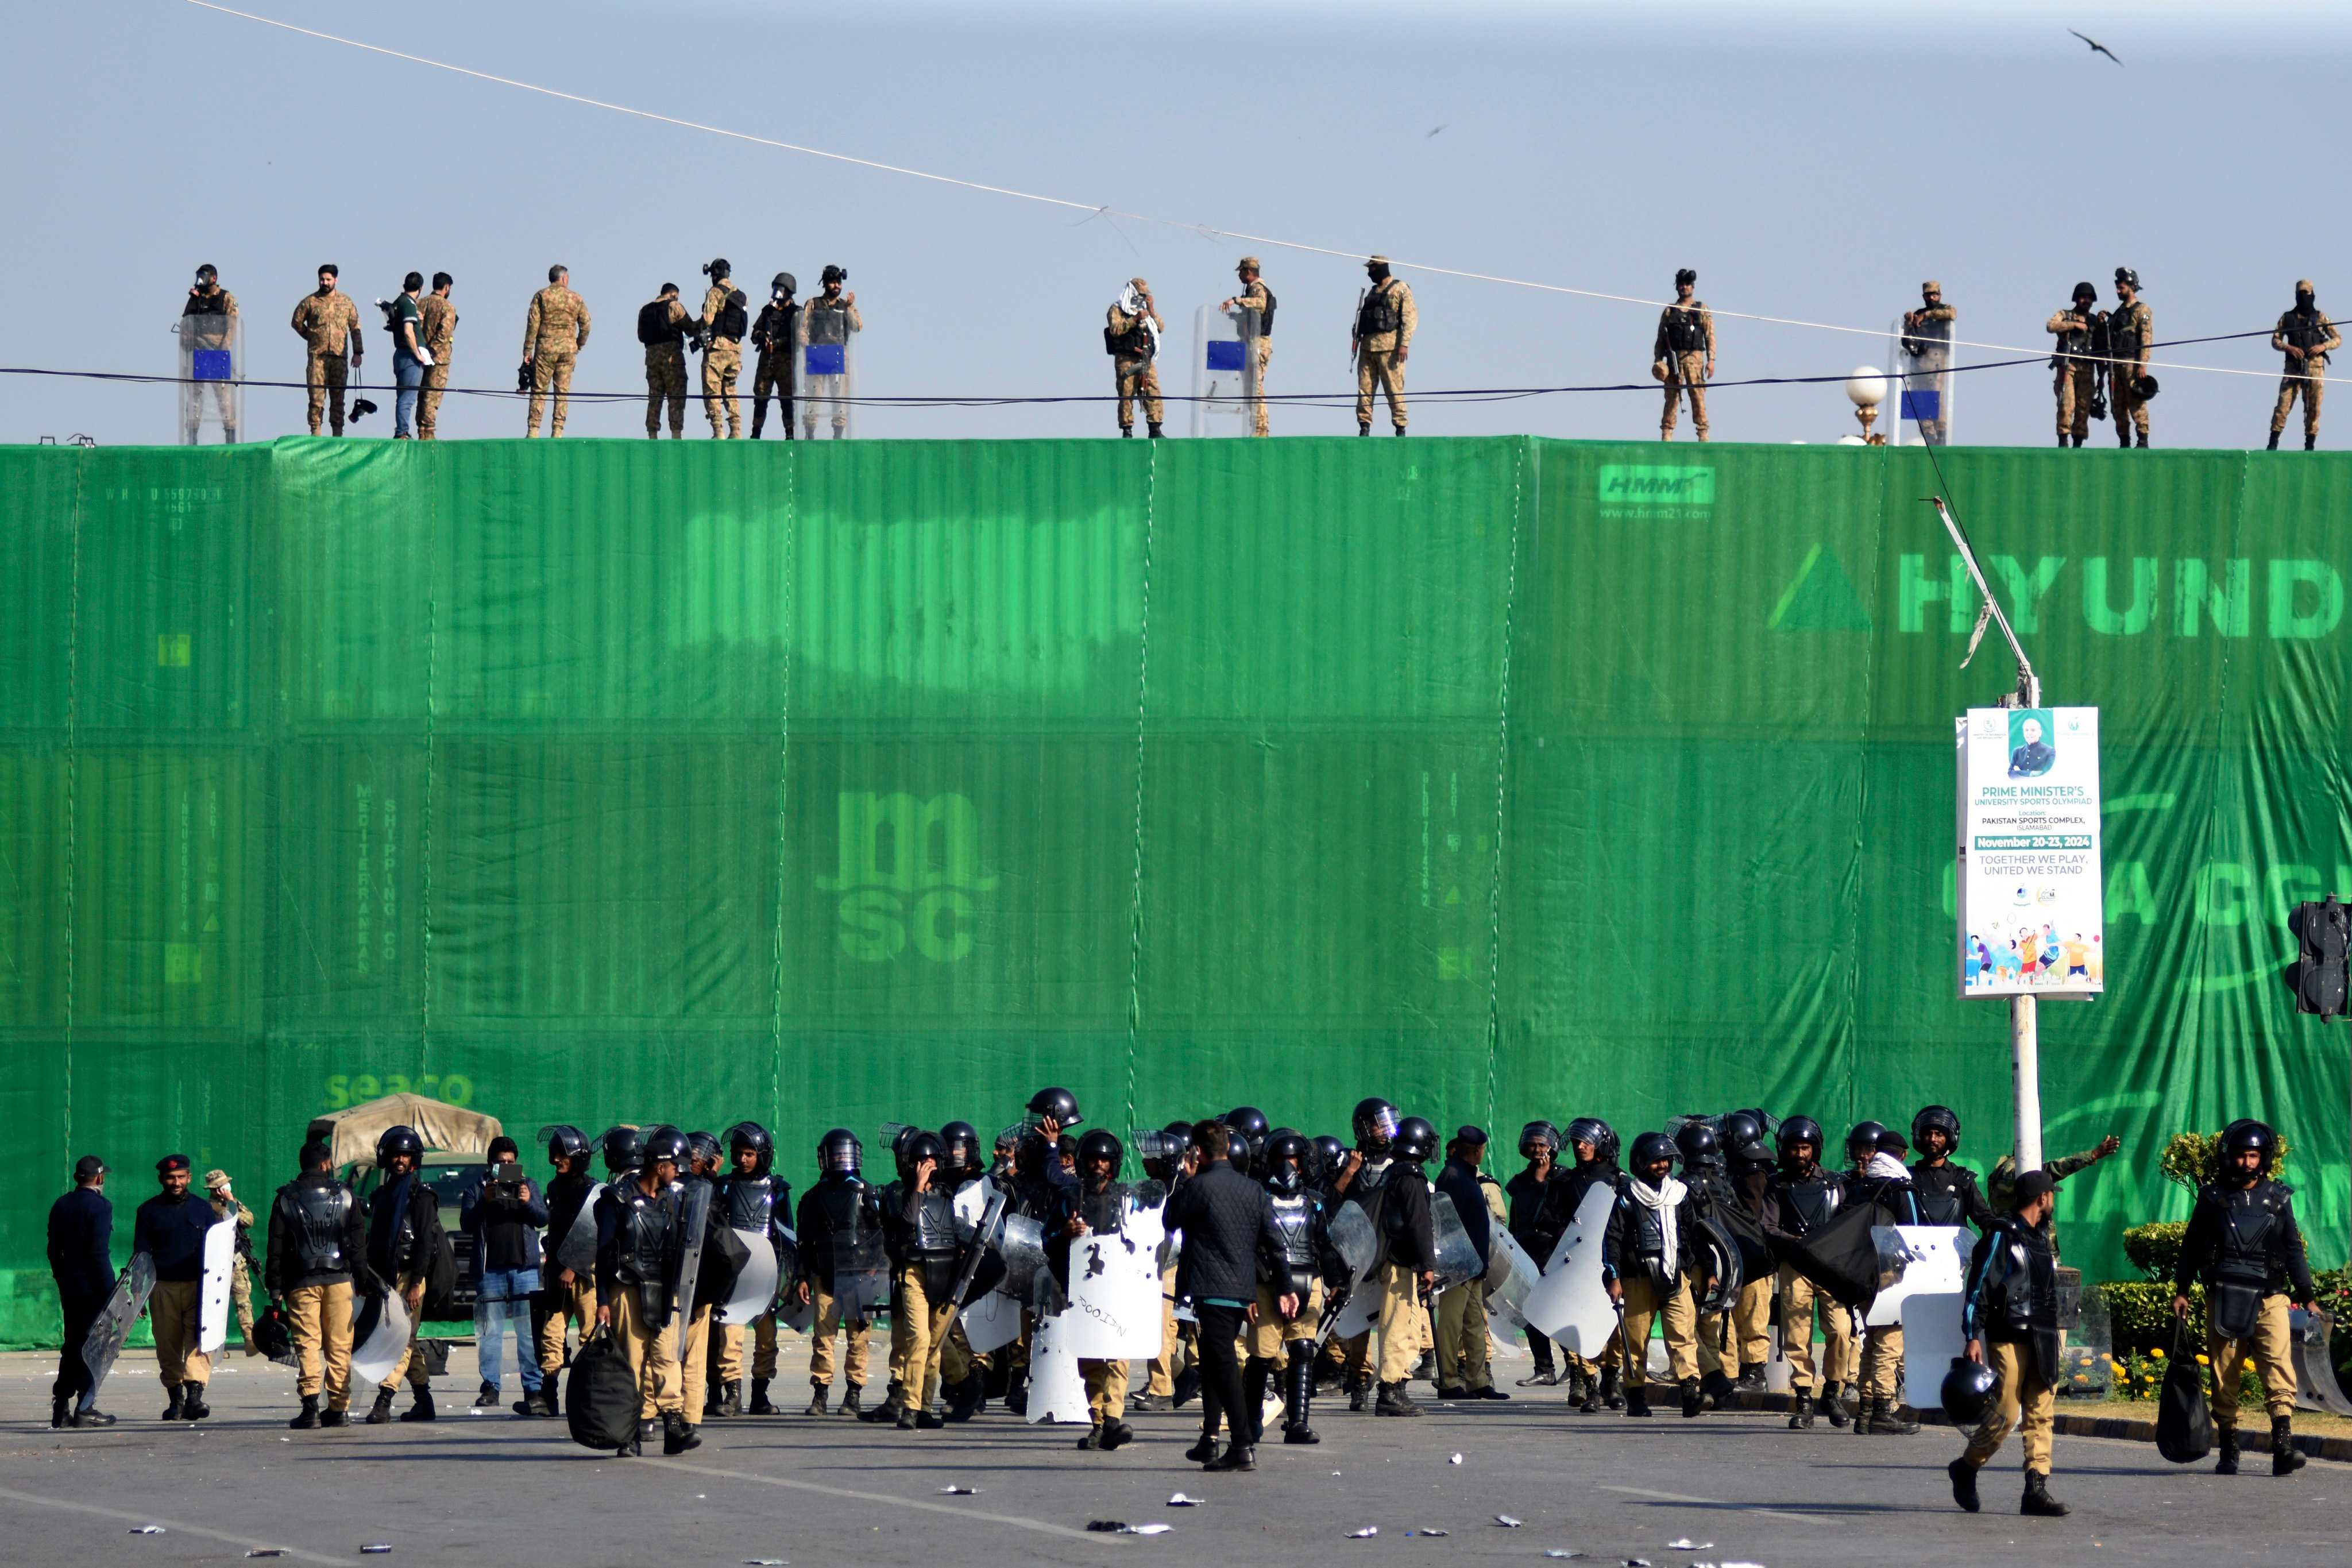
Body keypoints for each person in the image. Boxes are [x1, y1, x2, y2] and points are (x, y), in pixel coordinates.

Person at [2172, 1119, 2321, 1478]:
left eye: (2253, 1155)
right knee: (2224, 1375)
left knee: (2279, 1371)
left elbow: (2294, 1251)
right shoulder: (2212, 1198)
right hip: (2224, 1298)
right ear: (2230, 1158)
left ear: (2264, 1158)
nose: (2247, 1163)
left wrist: (2309, 1298)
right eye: (2240, 1156)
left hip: (2272, 1299)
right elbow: (2192, 1246)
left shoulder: (2280, 1198)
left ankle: (2283, 1448)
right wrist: (2181, 1291)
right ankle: (2229, 1450)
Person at [1164, 1120, 1290, 1472]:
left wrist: (1184, 1179)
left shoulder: (1198, 1186)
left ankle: (1241, 1443)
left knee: (1222, 1368)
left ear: (1198, 1153)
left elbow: (1170, 1218)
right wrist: (1284, 1288)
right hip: (1240, 1290)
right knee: (1212, 1362)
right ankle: (1210, 1440)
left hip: (1211, 1289)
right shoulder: (1253, 1189)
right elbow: (1275, 1244)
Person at [1949, 1169, 2068, 1517]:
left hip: (2043, 1336)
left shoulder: (2042, 1238)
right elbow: (1980, 1284)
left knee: (2042, 1412)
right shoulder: (2002, 1235)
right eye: (2052, 1195)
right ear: (2043, 1198)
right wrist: (1972, 1334)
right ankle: (1966, 1467)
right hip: (2008, 1334)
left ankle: (2036, 1490)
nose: (2053, 1201)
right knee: (2006, 1413)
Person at [596, 1124, 698, 1456]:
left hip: (663, 1288)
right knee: (633, 1360)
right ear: (659, 1166)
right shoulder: (617, 1200)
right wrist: (602, 1301)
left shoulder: (672, 1201)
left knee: (667, 1357)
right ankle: (631, 1435)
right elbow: (603, 1252)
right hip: (626, 1287)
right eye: (674, 1166)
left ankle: (673, 1429)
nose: (678, 1172)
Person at [266, 1139, 366, 1429]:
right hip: (339, 1280)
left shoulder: (285, 1198)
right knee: (339, 1346)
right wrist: (361, 1280)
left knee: (307, 1345)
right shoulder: (345, 1194)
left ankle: (310, 1407)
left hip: (300, 1281)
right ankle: (338, 1408)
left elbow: (277, 1249)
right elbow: (358, 1243)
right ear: (325, 1165)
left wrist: (276, 1290)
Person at [1604, 1131, 1703, 1418]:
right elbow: (1612, 1239)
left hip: (1676, 1275)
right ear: (1641, 1163)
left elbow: (1696, 1233)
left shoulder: (1681, 1195)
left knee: (1683, 1333)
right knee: (1635, 1340)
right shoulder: (1627, 1197)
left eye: (1666, 1160)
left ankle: (1690, 1391)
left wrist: (1703, 1270)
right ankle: (1636, 1395)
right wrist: (1614, 1276)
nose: (1663, 1166)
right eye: (1656, 1161)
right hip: (1637, 1278)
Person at [1053, 1128, 1140, 1450]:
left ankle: (1114, 1419)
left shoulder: (1130, 1200)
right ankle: (1099, 1423)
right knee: (1090, 1358)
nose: (1098, 1165)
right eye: (1092, 1159)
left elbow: (1145, 1241)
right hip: (1083, 1288)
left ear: (1113, 1164)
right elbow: (1047, 1241)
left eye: (1104, 1160)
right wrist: (1066, 1233)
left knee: (1118, 1355)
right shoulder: (1069, 1199)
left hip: (1119, 1288)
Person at [1765, 1115, 1852, 1430]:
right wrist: (1796, 1243)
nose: (1800, 1154)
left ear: (1815, 1149)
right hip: (1795, 1265)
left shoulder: (1835, 1183)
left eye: (1805, 1148)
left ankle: (1832, 1391)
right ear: (1783, 1149)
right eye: (1793, 1148)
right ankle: (1803, 1398)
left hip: (1830, 1265)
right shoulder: (1776, 1185)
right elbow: (1768, 1227)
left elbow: (1847, 1224)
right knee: (1797, 1334)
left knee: (1841, 1330)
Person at [1255, 1129, 1339, 1443]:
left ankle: (1298, 1423)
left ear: (1303, 1164)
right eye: (1280, 1161)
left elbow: (1325, 1245)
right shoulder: (1258, 1198)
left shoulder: (1314, 1202)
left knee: (1303, 1349)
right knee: (1262, 1355)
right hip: (1267, 1282)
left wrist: (1337, 1282)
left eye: (1291, 1161)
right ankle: (1252, 1420)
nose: (1286, 1168)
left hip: (1309, 1280)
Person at [875, 1129, 961, 1431]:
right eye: (921, 1161)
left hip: (945, 1273)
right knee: (920, 1338)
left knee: (934, 1344)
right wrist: (919, 1187)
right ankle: (909, 1407)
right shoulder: (896, 1192)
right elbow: (909, 1220)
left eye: (932, 1161)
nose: (928, 1166)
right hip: (913, 1271)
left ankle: (924, 1406)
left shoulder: (947, 1193)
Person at [460, 1134, 548, 1414]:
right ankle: (490, 1387)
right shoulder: (477, 1188)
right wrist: (485, 1201)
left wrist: (527, 1203)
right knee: (490, 1333)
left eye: (510, 1162)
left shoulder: (529, 1185)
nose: (506, 1166)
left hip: (524, 1269)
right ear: (491, 1165)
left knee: (527, 1333)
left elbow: (543, 1218)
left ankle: (533, 1388)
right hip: (491, 1271)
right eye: (500, 1163)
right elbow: (466, 1224)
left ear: (517, 1163)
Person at [794, 1127, 879, 1416]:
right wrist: (803, 1277)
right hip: (824, 1276)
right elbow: (803, 1240)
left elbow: (881, 1233)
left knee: (859, 1337)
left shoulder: (866, 1192)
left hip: (858, 1277)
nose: (840, 1158)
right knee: (823, 1337)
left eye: (845, 1153)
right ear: (825, 1157)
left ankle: (854, 1394)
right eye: (835, 1153)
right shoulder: (813, 1196)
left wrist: (874, 1268)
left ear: (855, 1154)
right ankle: (820, 1393)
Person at [1844, 1125, 1922, 1435]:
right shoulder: (1902, 1188)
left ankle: (1863, 1412)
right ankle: (1882, 1411)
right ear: (1903, 1156)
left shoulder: (1860, 1187)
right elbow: (1915, 1234)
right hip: (1892, 1277)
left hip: (1861, 1276)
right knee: (1890, 1345)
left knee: (1870, 1343)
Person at [362, 1125, 441, 1424]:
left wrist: (418, 1282)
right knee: (408, 1341)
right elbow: (375, 1241)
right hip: (384, 1278)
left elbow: (425, 1242)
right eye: (396, 1155)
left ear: (414, 1160)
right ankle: (424, 1401)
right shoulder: (382, 1196)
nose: (400, 1160)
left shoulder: (422, 1197)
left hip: (410, 1276)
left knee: (402, 1339)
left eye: (406, 1156)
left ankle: (385, 1399)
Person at [712, 1121, 791, 1416]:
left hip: (767, 1272)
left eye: (750, 1154)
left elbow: (787, 1236)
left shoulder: (778, 1189)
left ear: (762, 1155)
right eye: (739, 1153)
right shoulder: (723, 1187)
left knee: (767, 1338)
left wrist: (792, 1279)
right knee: (730, 1335)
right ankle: (733, 1395)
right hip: (734, 1272)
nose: (743, 1159)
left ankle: (760, 1395)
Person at [1430, 1126, 1509, 1400]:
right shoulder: (1453, 1177)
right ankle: (1448, 1381)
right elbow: (1446, 1223)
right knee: (1451, 1325)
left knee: (1475, 1324)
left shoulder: (1464, 1175)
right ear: (1477, 1151)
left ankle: (1477, 1381)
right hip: (1459, 1267)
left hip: (1473, 1266)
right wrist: (1455, 1263)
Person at [532, 1124, 601, 1417]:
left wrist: (573, 1268)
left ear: (579, 1158)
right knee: (552, 1334)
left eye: (565, 1155)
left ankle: (592, 1397)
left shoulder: (592, 1190)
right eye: (555, 1154)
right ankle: (549, 1396)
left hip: (583, 1275)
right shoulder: (553, 1188)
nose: (558, 1160)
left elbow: (593, 1234)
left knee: (589, 1336)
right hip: (557, 1273)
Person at [1134, 1120, 1198, 1411]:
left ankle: (1161, 1389)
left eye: (1153, 1159)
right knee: (1151, 1327)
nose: (1146, 1162)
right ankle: (1185, 1375)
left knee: (1161, 1327)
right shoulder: (1155, 1188)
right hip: (1154, 1261)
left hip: (1172, 1264)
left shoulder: (1181, 1189)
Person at [47, 1155, 115, 1428]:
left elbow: (53, 1251)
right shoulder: (100, 1207)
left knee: (72, 1347)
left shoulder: (61, 1204)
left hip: (71, 1288)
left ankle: (61, 1407)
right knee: (95, 1349)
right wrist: (113, 1293)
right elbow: (99, 1254)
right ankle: (85, 1407)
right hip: (94, 1290)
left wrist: (62, 1281)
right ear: (99, 1178)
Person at [1714, 1110, 1778, 1395]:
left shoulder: (1755, 1173)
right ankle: (1728, 1371)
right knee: (1726, 1315)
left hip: (1754, 1257)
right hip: (1735, 1255)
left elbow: (1753, 1218)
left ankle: (1755, 1372)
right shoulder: (1736, 1168)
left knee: (1752, 1315)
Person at [1989, 1134, 2119, 1260]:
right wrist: (2093, 1155)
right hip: (2026, 1250)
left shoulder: (2003, 1167)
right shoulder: (2020, 1171)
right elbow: (2054, 1169)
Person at [1504, 1122, 1562, 1387]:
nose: (1537, 1150)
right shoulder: (1521, 1182)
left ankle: (1575, 1367)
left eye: (1542, 1144)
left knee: (1558, 1313)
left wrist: (1543, 1182)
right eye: (1533, 1144)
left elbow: (1552, 1217)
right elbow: (1519, 1219)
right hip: (1527, 1253)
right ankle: (1544, 1368)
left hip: (1554, 1253)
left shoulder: (1562, 1179)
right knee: (1531, 1313)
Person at [289, 264, 363, 437]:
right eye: (322, 279)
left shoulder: (346, 302)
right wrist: (312, 337)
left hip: (339, 358)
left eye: (329, 279)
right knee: (316, 398)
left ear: (336, 280)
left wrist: (358, 352)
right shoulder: (310, 301)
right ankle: (316, 432)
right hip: (318, 358)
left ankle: (337, 433)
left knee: (338, 399)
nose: (325, 282)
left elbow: (355, 327)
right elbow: (296, 322)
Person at [2269, 279, 2339, 450]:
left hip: (2315, 368)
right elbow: (2275, 340)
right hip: (2294, 367)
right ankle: (2273, 442)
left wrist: (2323, 346)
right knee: (2283, 405)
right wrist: (2289, 348)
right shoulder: (2288, 318)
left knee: (2314, 407)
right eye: (2301, 293)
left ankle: (2310, 445)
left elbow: (2337, 339)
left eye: (2307, 293)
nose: (2304, 297)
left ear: (2313, 294)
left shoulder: (2320, 317)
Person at [523, 264, 591, 437]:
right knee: (562, 391)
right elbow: (586, 324)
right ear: (564, 278)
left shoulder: (541, 296)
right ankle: (558, 430)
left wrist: (527, 350)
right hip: (568, 350)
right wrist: (578, 344)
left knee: (539, 389)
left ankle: (534, 430)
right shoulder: (575, 298)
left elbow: (533, 324)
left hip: (545, 348)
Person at [1353, 256, 1416, 435]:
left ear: (1381, 268)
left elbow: (1410, 319)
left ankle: (1400, 427)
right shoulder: (1372, 292)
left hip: (1390, 350)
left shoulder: (1400, 289)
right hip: (1367, 349)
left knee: (1394, 390)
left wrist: (1404, 344)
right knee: (1365, 390)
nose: (1370, 273)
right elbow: (1362, 319)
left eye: (1372, 269)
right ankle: (1364, 426)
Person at [1653, 268, 1715, 442]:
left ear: (1692, 287)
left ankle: (1703, 435)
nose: (1685, 287)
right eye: (1682, 284)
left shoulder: (1702, 310)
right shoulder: (1669, 311)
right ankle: (1667, 434)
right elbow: (1661, 337)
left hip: (1695, 360)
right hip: (1674, 362)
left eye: (1688, 284)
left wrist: (1711, 360)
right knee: (1672, 398)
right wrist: (1658, 360)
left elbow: (1710, 336)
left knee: (1697, 397)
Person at [202, 1168, 259, 1355]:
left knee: (244, 1301)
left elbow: (249, 1220)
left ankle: (250, 1341)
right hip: (217, 1264)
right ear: (216, 1189)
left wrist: (232, 1201)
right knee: (216, 1306)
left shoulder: (231, 1203)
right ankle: (214, 1347)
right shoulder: (209, 1208)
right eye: (222, 1186)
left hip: (236, 1262)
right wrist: (230, 1203)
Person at [1909, 1106, 1995, 1231]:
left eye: (1939, 1134)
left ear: (1949, 1138)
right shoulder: (1908, 1178)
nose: (1933, 1139)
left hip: (1955, 1251)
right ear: (1919, 1137)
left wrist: (1998, 1234)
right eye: (1928, 1134)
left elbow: (1984, 1217)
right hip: (1914, 1250)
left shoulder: (1962, 1179)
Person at [801, 265, 862, 438]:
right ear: (826, 284)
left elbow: (857, 326)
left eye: (838, 283)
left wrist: (849, 308)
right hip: (817, 356)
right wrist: (808, 348)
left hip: (838, 356)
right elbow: (801, 328)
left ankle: (838, 433)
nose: (836, 286)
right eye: (833, 282)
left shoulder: (845, 305)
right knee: (814, 396)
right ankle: (810, 432)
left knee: (840, 398)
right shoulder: (813, 304)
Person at [180, 265, 239, 443]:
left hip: (217, 354)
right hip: (197, 352)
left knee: (223, 397)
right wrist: (187, 340)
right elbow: (186, 323)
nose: (201, 280)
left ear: (213, 278)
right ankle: (193, 436)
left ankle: (230, 435)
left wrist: (223, 348)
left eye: (204, 276)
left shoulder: (226, 298)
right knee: (195, 397)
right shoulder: (195, 298)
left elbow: (232, 325)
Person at [1219, 257, 1275, 437]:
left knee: (1256, 387)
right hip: (1251, 342)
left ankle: (1261, 429)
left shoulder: (1258, 289)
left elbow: (1260, 303)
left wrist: (1237, 300)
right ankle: (1257, 426)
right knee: (1251, 387)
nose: (1240, 276)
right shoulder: (1251, 290)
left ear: (1248, 272)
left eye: (1242, 272)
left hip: (1258, 342)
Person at [2046, 281, 2105, 448]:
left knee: (2083, 409)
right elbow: (2051, 326)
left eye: (2089, 298)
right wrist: (2073, 325)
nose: (2086, 301)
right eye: (2083, 297)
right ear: (2077, 298)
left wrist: (2102, 377)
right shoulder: (2065, 315)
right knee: (2067, 405)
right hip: (2068, 366)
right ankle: (2063, 440)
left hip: (2088, 370)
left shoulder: (2095, 322)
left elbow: (2102, 350)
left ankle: (2078, 444)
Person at [1106, 278, 1165, 438]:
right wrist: (1134, 319)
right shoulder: (1117, 309)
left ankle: (1155, 429)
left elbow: (1160, 327)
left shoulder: (1146, 310)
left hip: (1146, 359)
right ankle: (1127, 430)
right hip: (1126, 360)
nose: (1142, 299)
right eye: (1140, 295)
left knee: (1153, 392)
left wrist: (1151, 310)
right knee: (1127, 394)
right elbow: (1115, 330)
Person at [1898, 280, 1955, 444]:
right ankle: (1928, 432)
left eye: (1935, 295)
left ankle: (1941, 431)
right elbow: (1909, 340)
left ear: (1940, 295)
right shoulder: (1919, 314)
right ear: (1924, 296)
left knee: (1937, 394)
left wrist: (1926, 315)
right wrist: (1910, 323)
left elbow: (1952, 314)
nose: (1932, 298)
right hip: (1921, 359)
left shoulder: (1945, 310)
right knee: (1920, 395)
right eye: (1929, 295)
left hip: (1938, 356)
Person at [698, 259, 748, 439]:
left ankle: (718, 430)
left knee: (712, 389)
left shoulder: (716, 292)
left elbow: (708, 320)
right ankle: (736, 430)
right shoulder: (741, 295)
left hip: (718, 348)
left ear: (715, 274)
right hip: (735, 350)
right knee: (731, 389)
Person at [638, 283, 692, 439]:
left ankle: (652, 433)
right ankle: (676, 433)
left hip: (652, 359)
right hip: (671, 357)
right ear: (674, 294)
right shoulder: (674, 306)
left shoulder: (645, 310)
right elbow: (690, 328)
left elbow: (641, 336)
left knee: (655, 396)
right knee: (676, 396)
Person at [2107, 267, 2153, 447]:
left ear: (2132, 287)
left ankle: (2143, 439)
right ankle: (2124, 441)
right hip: (2115, 365)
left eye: (2122, 287)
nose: (2119, 291)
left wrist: (2142, 364)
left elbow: (2146, 338)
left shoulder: (2141, 310)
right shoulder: (2118, 313)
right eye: (2118, 287)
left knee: (2136, 402)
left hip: (2131, 364)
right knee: (2118, 407)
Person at [750, 273, 798, 439]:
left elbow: (797, 337)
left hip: (785, 360)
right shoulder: (768, 311)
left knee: (786, 399)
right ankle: (756, 433)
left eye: (781, 290)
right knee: (761, 397)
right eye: (776, 289)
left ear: (789, 292)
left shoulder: (795, 313)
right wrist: (761, 336)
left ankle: (790, 433)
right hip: (766, 360)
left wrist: (777, 342)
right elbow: (754, 333)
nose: (778, 293)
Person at [386, 272, 431, 440]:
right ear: (421, 288)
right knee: (408, 398)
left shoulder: (399, 302)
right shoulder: (409, 304)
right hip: (409, 356)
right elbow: (408, 331)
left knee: (403, 397)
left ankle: (402, 430)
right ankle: (402, 432)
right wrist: (418, 354)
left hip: (400, 354)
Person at [415, 273, 456, 440]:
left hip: (418, 357)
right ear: (447, 287)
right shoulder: (448, 307)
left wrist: (423, 352)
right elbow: (444, 333)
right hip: (438, 360)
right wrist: (432, 351)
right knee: (432, 397)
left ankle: (421, 432)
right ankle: (428, 433)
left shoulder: (419, 303)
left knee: (421, 396)